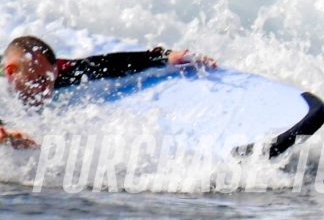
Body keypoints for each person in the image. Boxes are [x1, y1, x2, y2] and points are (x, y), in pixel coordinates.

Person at [1, 36, 215, 148]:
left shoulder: (46, 71)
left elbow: (104, 65)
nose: (47, 90)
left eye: (51, 81)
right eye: (39, 81)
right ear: (11, 72)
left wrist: (163, 57)